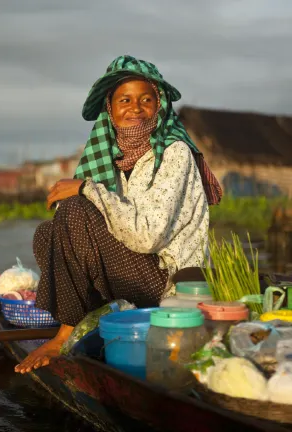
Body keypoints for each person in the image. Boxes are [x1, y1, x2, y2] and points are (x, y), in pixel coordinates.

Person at [15, 55, 222, 374]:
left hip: (168, 286)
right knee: (48, 232)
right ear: (110, 110)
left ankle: (65, 334)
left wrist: (88, 190)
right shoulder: (111, 161)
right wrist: (88, 193)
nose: (135, 108)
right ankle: (94, 316)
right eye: (125, 99)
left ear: (159, 106)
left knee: (76, 205)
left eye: (146, 99)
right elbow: (74, 228)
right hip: (131, 274)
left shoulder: (174, 153)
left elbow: (149, 236)